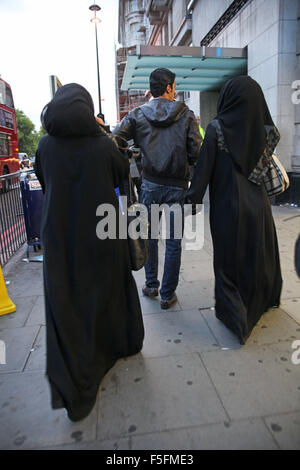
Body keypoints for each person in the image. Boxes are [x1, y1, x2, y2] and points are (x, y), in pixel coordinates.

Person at [34, 83, 144, 421]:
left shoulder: (45, 146)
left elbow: (42, 177)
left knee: (68, 302)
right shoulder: (102, 144)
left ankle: (78, 382)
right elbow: (122, 172)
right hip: (102, 233)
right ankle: (116, 345)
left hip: (60, 237)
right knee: (106, 291)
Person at [186, 75, 282, 344]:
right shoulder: (261, 130)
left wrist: (190, 201)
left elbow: (203, 172)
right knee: (258, 255)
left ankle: (237, 318)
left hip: (229, 208)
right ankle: (263, 301)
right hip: (259, 205)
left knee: (229, 263)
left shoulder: (217, 129)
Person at [113, 68, 201, 309]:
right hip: (177, 187)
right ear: (170, 87)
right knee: (173, 242)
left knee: (149, 237)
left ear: (152, 89)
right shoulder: (186, 115)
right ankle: (167, 294)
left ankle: (151, 285)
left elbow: (115, 140)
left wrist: (133, 156)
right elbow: (197, 153)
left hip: (149, 185)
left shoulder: (137, 115)